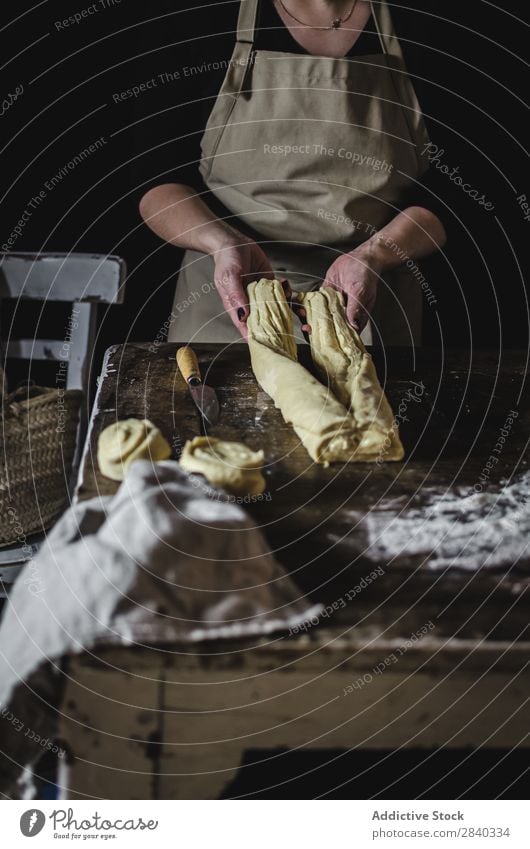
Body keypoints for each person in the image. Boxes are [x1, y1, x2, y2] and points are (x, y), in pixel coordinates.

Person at [139, 0, 447, 346]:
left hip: (370, 295)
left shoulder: (427, 23)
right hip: (227, 304)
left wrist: (375, 254)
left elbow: (454, 195)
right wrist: (221, 243)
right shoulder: (203, 18)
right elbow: (156, 183)